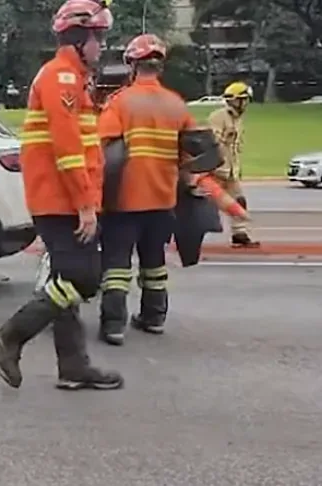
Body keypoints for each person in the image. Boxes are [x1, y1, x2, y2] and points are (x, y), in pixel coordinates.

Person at [0, 0, 123, 390]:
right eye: (97, 38)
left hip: (63, 199)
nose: (101, 46)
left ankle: (74, 367)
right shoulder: (61, 78)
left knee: (65, 282)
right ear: (78, 38)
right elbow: (68, 151)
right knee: (84, 278)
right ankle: (12, 334)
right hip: (62, 201)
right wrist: (85, 205)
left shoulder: (72, 78)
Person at [95, 33, 198, 345]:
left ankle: (114, 325)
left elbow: (103, 149)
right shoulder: (177, 104)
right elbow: (193, 152)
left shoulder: (120, 102)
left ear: (132, 65)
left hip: (124, 200)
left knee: (117, 265)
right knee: (154, 262)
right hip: (163, 199)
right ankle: (154, 317)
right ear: (160, 66)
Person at [209, 81, 260, 248]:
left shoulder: (238, 119)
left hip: (230, 171)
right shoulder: (218, 117)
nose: (246, 103)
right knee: (204, 205)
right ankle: (182, 234)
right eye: (244, 100)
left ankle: (239, 233)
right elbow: (213, 142)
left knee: (239, 201)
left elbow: (236, 147)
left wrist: (237, 168)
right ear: (236, 100)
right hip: (216, 170)